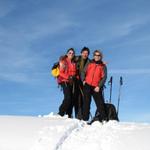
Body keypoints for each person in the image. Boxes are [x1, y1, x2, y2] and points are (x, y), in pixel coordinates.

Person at [82, 50, 107, 122]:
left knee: (100, 103)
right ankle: (85, 119)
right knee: (86, 102)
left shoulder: (103, 66)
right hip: (87, 85)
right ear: (93, 56)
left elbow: (104, 77)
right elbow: (83, 71)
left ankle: (104, 119)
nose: (97, 56)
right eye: (95, 55)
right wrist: (83, 80)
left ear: (100, 57)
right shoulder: (89, 63)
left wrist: (99, 86)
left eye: (98, 55)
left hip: (96, 87)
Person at [58, 48, 79, 117]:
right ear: (67, 54)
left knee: (72, 99)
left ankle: (69, 114)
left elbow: (75, 73)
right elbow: (60, 72)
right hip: (64, 81)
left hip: (72, 82)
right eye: (70, 53)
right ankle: (60, 113)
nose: (71, 54)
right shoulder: (63, 61)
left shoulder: (74, 63)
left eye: (72, 53)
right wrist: (68, 77)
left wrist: (76, 78)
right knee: (68, 97)